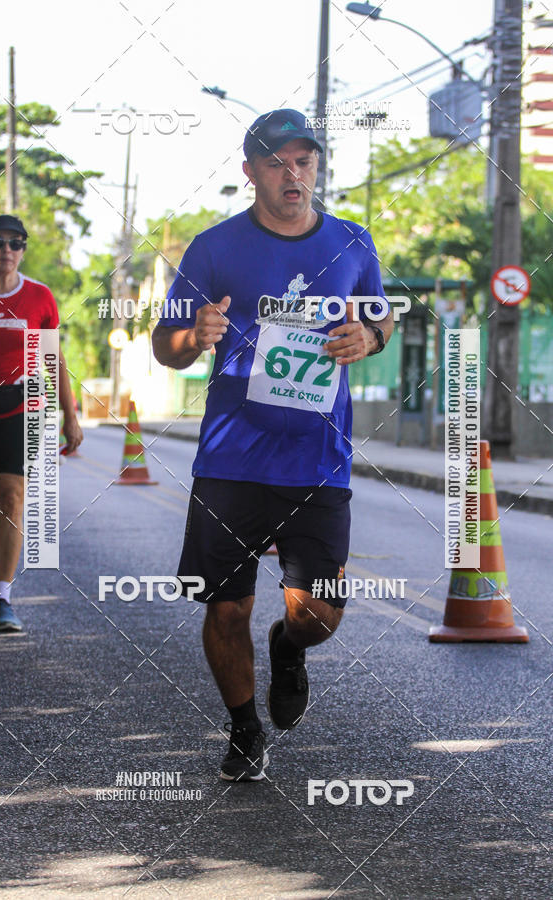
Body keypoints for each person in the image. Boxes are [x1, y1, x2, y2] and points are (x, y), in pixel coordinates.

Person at [153, 109, 394, 781]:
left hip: (318, 460)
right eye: (277, 163)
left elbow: (379, 317)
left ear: (316, 166)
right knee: (225, 606)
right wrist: (191, 336)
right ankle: (243, 731)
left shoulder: (352, 242)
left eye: (304, 162)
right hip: (231, 457)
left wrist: (368, 338)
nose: (294, 176)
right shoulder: (215, 247)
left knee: (317, 612)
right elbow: (164, 344)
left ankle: (289, 648)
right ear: (250, 171)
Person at [0, 215, 83, 631]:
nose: (5, 251)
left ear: (23, 250)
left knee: (10, 501)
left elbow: (53, 362)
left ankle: (2, 600)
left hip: (23, 409)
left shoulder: (40, 298)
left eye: (14, 243)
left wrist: (70, 415)